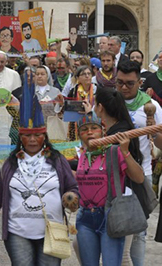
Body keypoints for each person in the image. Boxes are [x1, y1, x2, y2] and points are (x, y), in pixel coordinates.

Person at [0, 77, 79, 266]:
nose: (33, 140)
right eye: (27, 136)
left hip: (52, 231)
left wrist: (71, 197)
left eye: (37, 135)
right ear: (21, 138)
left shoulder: (57, 160)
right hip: (17, 231)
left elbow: (72, 187)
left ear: (44, 136)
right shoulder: (11, 163)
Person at [75, 114, 144, 266]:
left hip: (110, 217)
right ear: (79, 135)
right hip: (85, 218)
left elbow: (139, 178)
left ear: (103, 132)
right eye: (84, 129)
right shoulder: (81, 156)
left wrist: (125, 151)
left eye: (94, 128)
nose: (90, 132)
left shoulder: (114, 152)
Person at [116, 61, 162, 266]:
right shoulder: (109, 101)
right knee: (114, 227)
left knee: (139, 230)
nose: (124, 87)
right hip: (112, 174)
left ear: (140, 82)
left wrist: (154, 132)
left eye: (129, 83)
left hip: (141, 174)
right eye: (119, 83)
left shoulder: (151, 106)